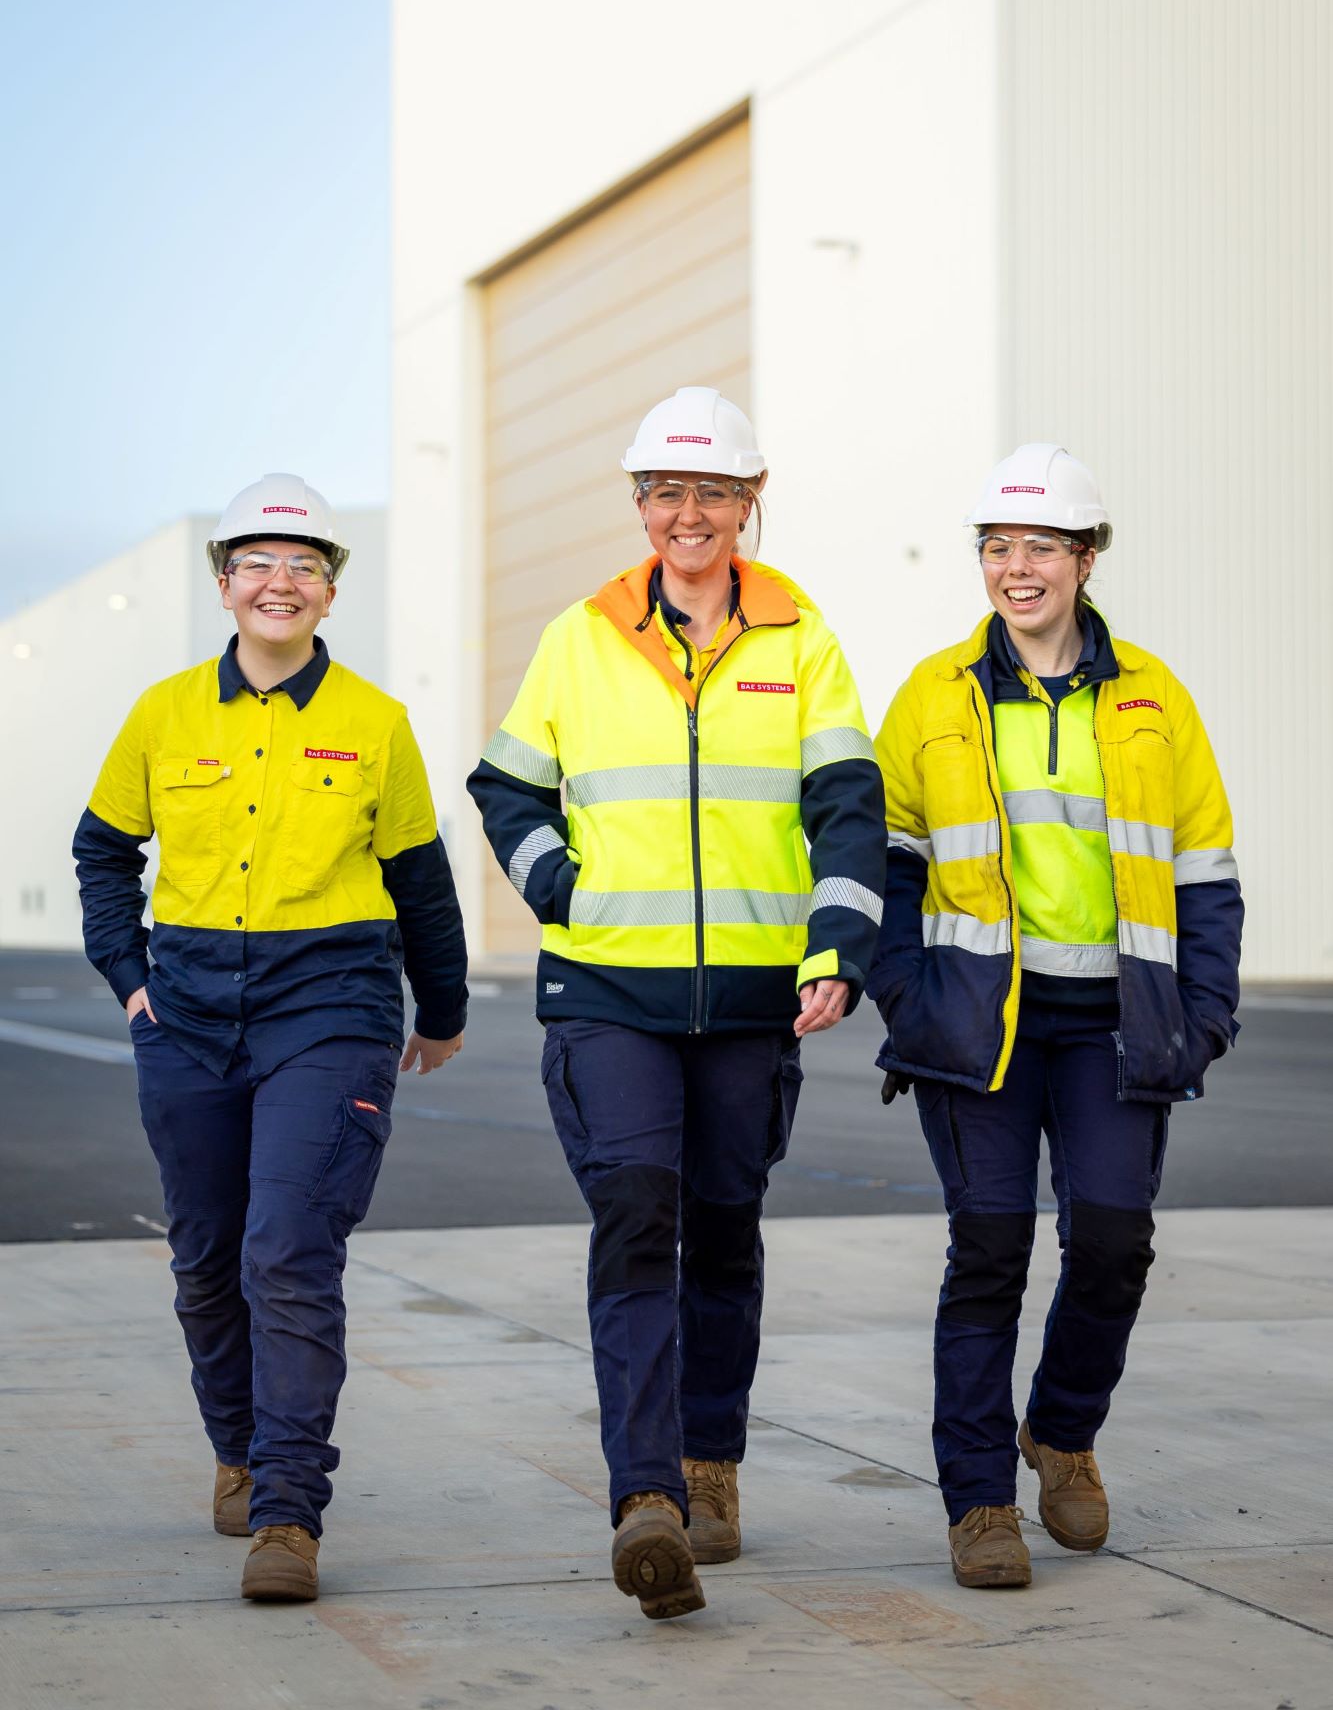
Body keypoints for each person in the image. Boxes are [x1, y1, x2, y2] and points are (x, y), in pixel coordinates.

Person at [468, 387, 885, 1620]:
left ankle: (712, 1461)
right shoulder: (581, 635)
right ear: (639, 503)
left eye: (710, 491)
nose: (685, 513)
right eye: (664, 491)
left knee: (724, 1222)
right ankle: (644, 1494)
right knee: (636, 1212)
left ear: (749, 504)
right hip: (606, 987)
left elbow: (848, 806)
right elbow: (505, 786)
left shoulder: (800, 637)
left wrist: (836, 943)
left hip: (754, 997)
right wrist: (560, 884)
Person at [73, 473, 468, 1603]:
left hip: (329, 1004)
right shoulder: (162, 714)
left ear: (331, 592)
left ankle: (289, 1511)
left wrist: (437, 1014)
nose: (279, 582)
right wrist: (130, 979)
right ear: (224, 585)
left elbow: (420, 885)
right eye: (257, 563)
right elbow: (103, 852)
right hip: (187, 1011)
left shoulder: (375, 723)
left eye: (303, 566)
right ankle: (241, 1451)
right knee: (206, 1259)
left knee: (286, 1252)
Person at [869, 443, 1242, 1590]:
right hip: (979, 1025)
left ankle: (1062, 1430)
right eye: (996, 547)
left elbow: (1205, 866)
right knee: (987, 1247)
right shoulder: (932, 695)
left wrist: (1206, 1012)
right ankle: (978, 1496)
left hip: (1114, 1021)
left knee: (1113, 1240)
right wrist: (906, 993)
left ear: (1084, 558)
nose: (1015, 568)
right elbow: (883, 861)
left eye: (1039, 546)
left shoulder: (1151, 696)